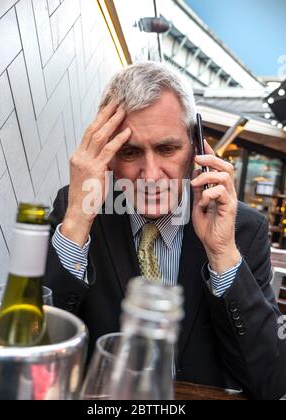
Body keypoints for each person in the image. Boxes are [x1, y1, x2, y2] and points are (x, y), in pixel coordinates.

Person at [45, 61, 286, 400]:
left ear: (196, 147)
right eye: (130, 152)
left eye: (166, 148)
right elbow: (34, 342)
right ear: (107, 155)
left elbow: (272, 382)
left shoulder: (243, 228)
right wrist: (75, 228)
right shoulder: (78, 210)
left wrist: (222, 253)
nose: (151, 175)